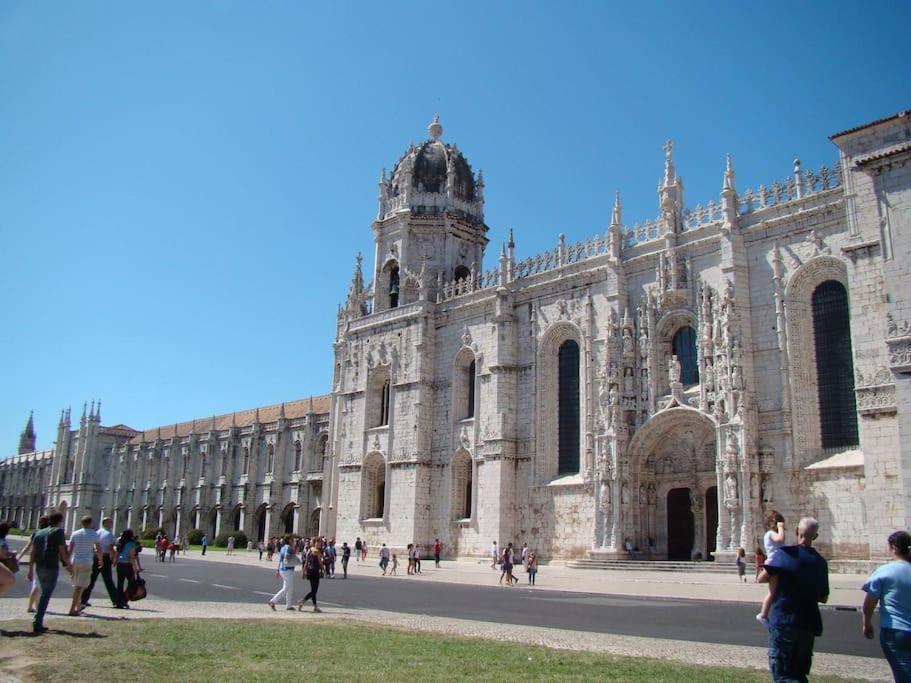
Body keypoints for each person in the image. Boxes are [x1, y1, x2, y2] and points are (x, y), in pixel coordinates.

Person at [758, 517, 829, 683]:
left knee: (783, 675)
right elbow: (823, 597)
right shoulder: (821, 562)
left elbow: (762, 578)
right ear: (816, 536)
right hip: (808, 624)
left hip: (785, 622)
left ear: (797, 531)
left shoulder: (784, 555)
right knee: (799, 673)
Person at [861, 530, 911, 681]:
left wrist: (866, 623)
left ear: (893, 548)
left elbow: (869, 603)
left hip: (895, 631)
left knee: (903, 674)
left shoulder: (885, 571)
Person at [29, 511, 74, 633]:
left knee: (43, 592)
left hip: (39, 566)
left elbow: (33, 552)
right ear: (60, 521)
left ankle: (37, 620)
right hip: (51, 565)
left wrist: (30, 569)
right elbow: (62, 551)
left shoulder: (39, 532)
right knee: (45, 594)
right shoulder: (58, 532)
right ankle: (37, 622)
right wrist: (69, 565)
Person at [81, 516, 120, 609]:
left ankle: (83, 600)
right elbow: (110, 548)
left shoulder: (97, 532)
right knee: (108, 580)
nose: (111, 524)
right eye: (110, 522)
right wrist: (114, 558)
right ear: (105, 523)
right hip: (105, 557)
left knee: (91, 579)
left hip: (95, 556)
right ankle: (116, 601)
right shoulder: (108, 534)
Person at [67, 515, 101, 616]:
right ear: (90, 523)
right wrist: (101, 560)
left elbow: (70, 549)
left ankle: (78, 606)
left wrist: (67, 562)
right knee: (79, 587)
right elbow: (98, 549)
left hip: (75, 561)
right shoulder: (94, 534)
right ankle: (73, 610)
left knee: (77, 585)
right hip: (86, 562)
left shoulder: (75, 533)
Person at [757, 511, 787, 624]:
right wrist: (781, 528)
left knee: (775, 591)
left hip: (776, 563)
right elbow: (780, 539)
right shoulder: (771, 534)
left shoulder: (769, 534)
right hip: (775, 564)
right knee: (772, 592)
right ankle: (763, 615)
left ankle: (766, 613)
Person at [22, 516, 49, 612]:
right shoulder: (48, 533)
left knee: (37, 584)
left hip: (36, 560)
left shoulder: (35, 533)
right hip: (43, 561)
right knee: (38, 586)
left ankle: (35, 606)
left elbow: (28, 547)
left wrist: (19, 556)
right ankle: (31, 607)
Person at [268, 534, 299, 611]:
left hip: (282, 569)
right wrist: (293, 556)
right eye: (292, 540)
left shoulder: (282, 548)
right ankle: (273, 601)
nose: (293, 541)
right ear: (289, 540)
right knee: (286, 588)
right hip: (288, 569)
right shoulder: (289, 548)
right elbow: (287, 557)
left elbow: (281, 560)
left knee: (290, 588)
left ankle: (288, 605)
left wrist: (278, 570)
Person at [115, 529, 141, 608]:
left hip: (120, 564)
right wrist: (136, 568)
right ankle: (125, 599)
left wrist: (115, 562)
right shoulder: (131, 544)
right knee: (131, 583)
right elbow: (132, 556)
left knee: (120, 583)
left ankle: (118, 601)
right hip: (127, 564)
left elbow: (117, 553)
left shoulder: (120, 543)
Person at [299, 542, 323, 613]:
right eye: (318, 543)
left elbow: (306, 562)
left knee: (313, 590)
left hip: (309, 571)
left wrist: (303, 572)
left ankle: (315, 607)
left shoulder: (309, 551)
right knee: (314, 591)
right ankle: (303, 601)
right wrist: (324, 569)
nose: (319, 545)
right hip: (315, 571)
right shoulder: (317, 551)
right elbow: (320, 562)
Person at [0, 522, 16, 597]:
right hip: (2, 562)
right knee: (10, 580)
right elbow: (3, 555)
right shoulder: (3, 541)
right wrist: (12, 554)